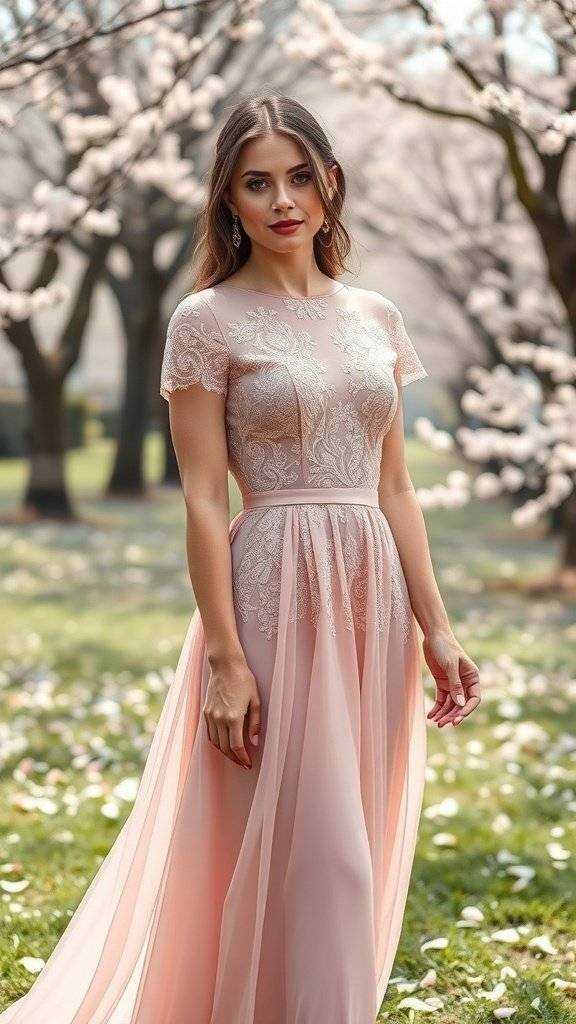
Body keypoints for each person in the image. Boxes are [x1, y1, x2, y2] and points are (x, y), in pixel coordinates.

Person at [0, 93, 481, 1024]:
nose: (283, 200)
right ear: (229, 200)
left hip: (367, 595)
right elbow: (201, 497)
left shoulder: (377, 318)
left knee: (352, 844)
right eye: (257, 183)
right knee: (303, 845)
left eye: (301, 177)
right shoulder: (206, 321)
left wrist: (440, 630)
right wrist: (225, 657)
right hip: (267, 590)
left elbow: (397, 491)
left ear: (332, 183)